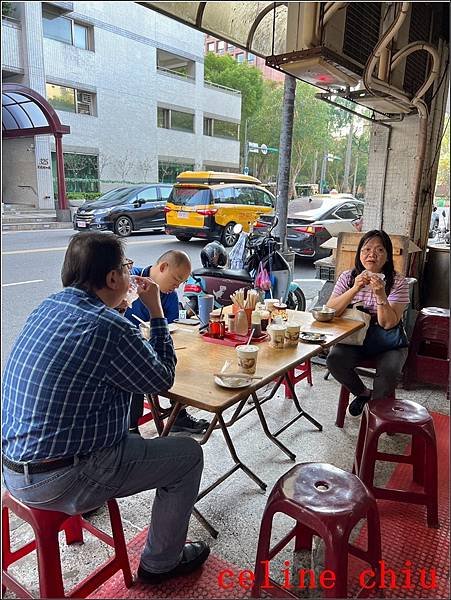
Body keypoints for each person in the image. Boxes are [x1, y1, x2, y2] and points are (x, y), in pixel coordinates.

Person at [2, 232, 210, 584]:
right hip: (64, 477)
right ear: (113, 278)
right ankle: (161, 563)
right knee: (188, 456)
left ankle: (90, 507)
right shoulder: (109, 326)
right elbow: (161, 380)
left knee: (129, 441)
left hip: (13, 468)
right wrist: (156, 310)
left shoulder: (47, 307)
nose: (130, 274)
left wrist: (117, 312)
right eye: (126, 268)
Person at [326, 230, 410, 417]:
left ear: (387, 256)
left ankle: (374, 412)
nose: (372, 254)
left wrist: (380, 294)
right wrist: (355, 288)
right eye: (366, 249)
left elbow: (388, 323)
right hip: (355, 338)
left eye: (380, 250)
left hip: (389, 342)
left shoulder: (398, 282)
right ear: (359, 254)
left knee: (390, 369)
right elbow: (330, 310)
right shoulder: (348, 278)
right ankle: (364, 394)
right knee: (334, 360)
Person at [125, 250, 210, 435]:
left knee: (183, 358)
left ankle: (178, 414)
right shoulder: (132, 280)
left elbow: (172, 327)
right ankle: (131, 428)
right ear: (163, 267)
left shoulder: (169, 296)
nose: (177, 286)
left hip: (153, 347)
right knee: (135, 369)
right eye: (176, 279)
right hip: (130, 349)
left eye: (181, 282)